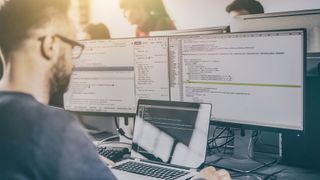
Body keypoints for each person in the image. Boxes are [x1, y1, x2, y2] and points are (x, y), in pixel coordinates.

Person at [0, 0, 230, 179]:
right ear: (50, 45)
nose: (73, 60)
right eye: (73, 48)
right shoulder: (52, 128)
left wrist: (81, 159)